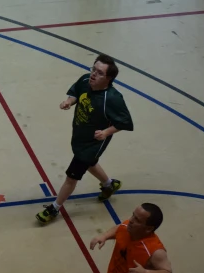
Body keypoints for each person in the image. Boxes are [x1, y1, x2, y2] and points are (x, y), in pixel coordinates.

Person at [36, 54, 133, 224]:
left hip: (93, 143)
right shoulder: (85, 80)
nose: (94, 74)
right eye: (93, 69)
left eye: (100, 73)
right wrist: (69, 101)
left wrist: (106, 132)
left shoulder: (112, 98)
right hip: (80, 134)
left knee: (72, 176)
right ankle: (109, 184)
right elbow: (76, 93)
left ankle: (55, 208)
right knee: (90, 163)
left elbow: (125, 122)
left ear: (109, 78)